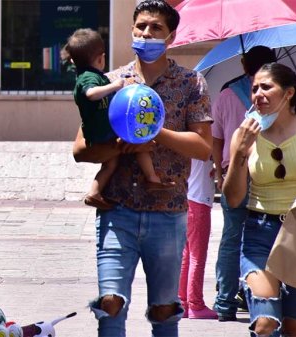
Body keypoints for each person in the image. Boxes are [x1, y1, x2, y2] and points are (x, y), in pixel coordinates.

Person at [72, 1, 212, 336]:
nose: (146, 33)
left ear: (171, 36)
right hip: (116, 211)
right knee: (110, 305)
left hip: (168, 214)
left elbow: (203, 148)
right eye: (140, 27)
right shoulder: (110, 82)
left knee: (165, 312)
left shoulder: (191, 83)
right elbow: (80, 149)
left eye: (155, 28)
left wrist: (153, 130)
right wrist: (121, 145)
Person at [222, 62, 296, 337]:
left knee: (295, 328)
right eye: (254, 89)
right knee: (265, 324)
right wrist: (239, 153)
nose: (258, 94)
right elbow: (233, 196)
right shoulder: (244, 134)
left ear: (288, 93)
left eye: (266, 87)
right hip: (259, 232)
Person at [66, 28, 173, 210]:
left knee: (110, 164)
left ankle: (94, 193)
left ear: (72, 61)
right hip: (102, 133)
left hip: (102, 132)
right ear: (101, 58)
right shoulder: (87, 77)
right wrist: (114, 86)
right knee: (141, 143)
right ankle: (152, 177)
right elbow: (91, 94)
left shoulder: (91, 76)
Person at [211, 46, 277, 322]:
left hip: (232, 173)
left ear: (242, 64)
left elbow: (216, 138)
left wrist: (218, 171)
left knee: (231, 238)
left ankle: (225, 303)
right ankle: (267, 297)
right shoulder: (276, 98)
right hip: (267, 174)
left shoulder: (225, 94)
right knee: (268, 238)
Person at [179, 158, 217, 319]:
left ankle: (182, 302)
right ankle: (195, 303)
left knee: (187, 256)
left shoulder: (189, 146)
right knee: (197, 257)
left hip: (189, 200)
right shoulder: (203, 145)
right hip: (199, 201)